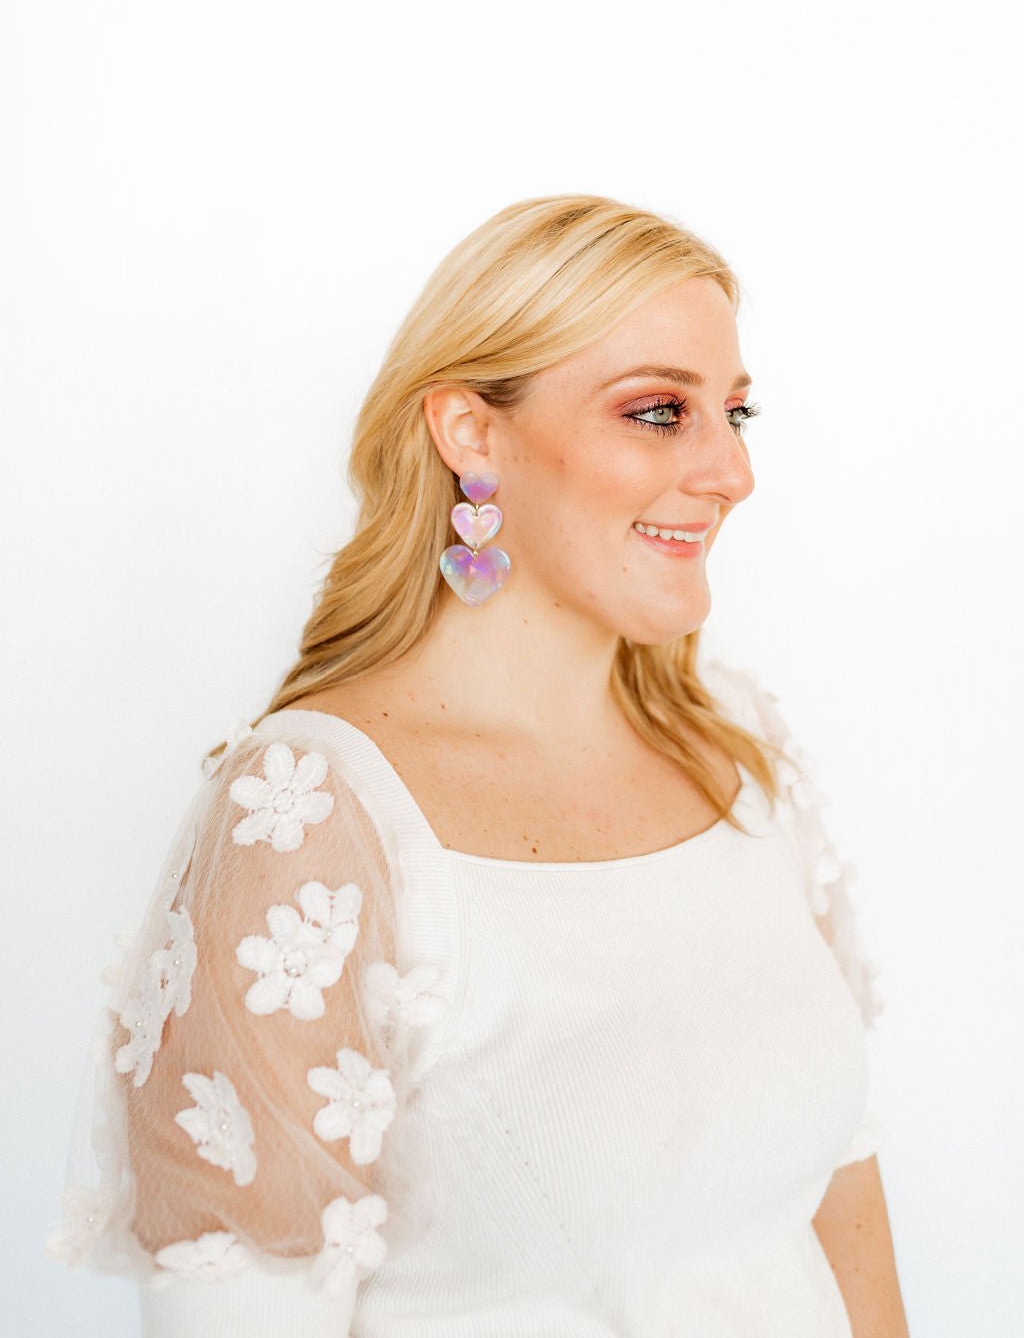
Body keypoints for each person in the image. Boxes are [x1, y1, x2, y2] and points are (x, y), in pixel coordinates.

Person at [45, 194, 910, 1336]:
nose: (730, 471)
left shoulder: (735, 758)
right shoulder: (317, 817)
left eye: (734, 413)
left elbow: (840, 1192)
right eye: (659, 411)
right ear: (470, 432)